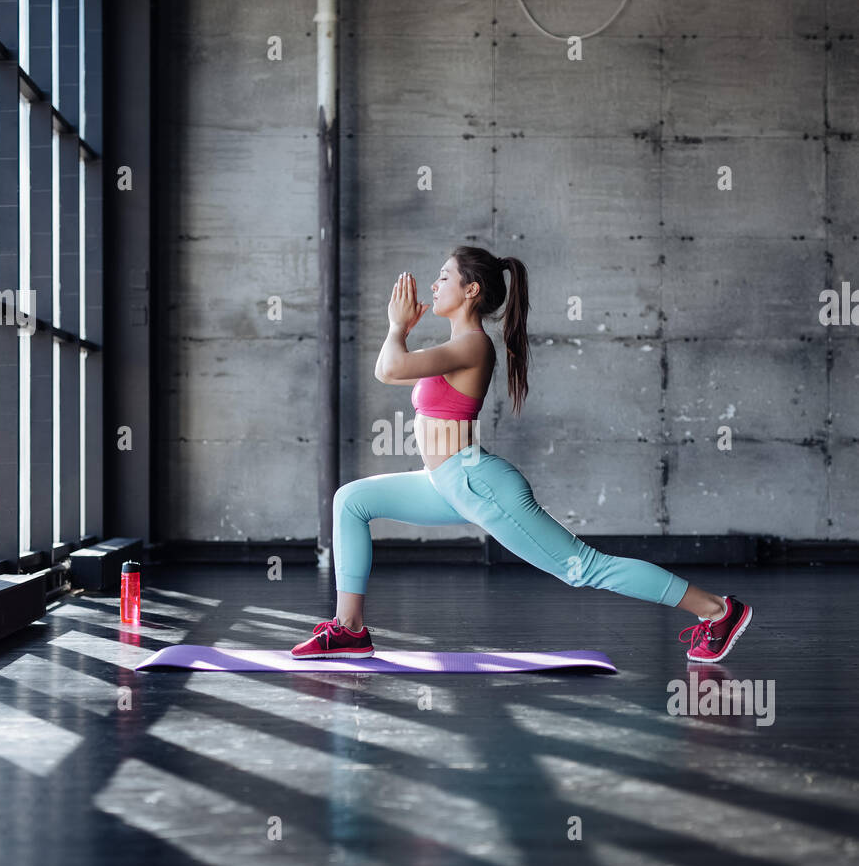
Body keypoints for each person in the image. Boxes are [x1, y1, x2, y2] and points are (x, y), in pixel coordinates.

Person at [291, 245, 752, 662]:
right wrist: (402, 334)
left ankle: (719, 610)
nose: (433, 285)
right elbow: (388, 372)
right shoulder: (451, 348)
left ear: (471, 290)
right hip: (447, 484)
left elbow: (391, 366)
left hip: (476, 482)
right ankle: (349, 629)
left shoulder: (471, 345)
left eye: (444, 277)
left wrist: (396, 328)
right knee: (351, 500)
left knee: (582, 567)